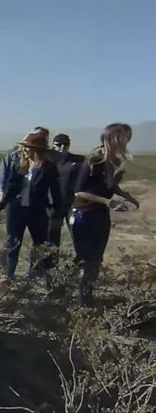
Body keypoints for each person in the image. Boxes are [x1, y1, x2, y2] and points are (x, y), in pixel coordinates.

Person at [70, 123, 134, 306]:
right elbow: (79, 192)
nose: (126, 141)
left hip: (100, 215)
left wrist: (123, 194)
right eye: (122, 137)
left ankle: (87, 297)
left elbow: (108, 185)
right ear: (111, 139)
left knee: (97, 258)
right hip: (83, 214)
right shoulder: (93, 161)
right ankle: (80, 301)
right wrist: (109, 202)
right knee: (84, 258)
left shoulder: (114, 162)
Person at [0, 130, 62, 279]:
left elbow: (55, 191)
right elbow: (11, 187)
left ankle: (35, 275)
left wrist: (57, 211)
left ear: (36, 150)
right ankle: (8, 275)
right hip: (16, 209)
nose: (24, 149)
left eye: (27, 147)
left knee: (39, 244)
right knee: (13, 242)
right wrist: (0, 206)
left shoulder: (48, 168)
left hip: (37, 210)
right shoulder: (20, 164)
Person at [45, 133, 85, 264]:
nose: (62, 147)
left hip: (72, 205)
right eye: (58, 145)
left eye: (65, 144)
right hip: (53, 205)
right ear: (53, 145)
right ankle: (51, 267)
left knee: (78, 236)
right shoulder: (46, 160)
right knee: (52, 239)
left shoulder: (79, 161)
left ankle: (79, 265)